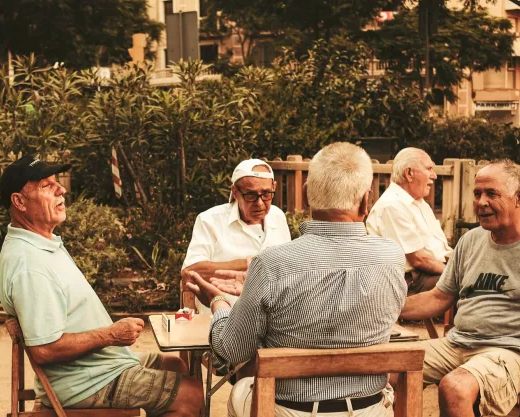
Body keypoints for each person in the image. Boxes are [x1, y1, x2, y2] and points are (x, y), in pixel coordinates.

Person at [187, 142, 407, 417]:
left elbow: (231, 350)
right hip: (368, 410)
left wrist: (219, 302)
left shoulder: (271, 263)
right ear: (367, 200)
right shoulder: (392, 257)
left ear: (305, 196)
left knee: (241, 389)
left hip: (288, 411)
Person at [0, 155, 203, 416]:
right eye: (46, 186)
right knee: (191, 395)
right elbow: (45, 349)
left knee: (175, 365)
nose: (61, 189)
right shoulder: (30, 264)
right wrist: (111, 335)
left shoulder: (40, 243)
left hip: (98, 366)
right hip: (84, 382)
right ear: (19, 202)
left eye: (56, 182)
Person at [401, 159, 520, 417]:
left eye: (491, 194)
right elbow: (438, 296)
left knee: (454, 387)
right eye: (477, 194)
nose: (481, 202)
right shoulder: (470, 241)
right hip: (457, 343)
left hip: (513, 352)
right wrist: (387, 309)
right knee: (385, 368)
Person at [181, 158, 291, 313]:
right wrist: (250, 264)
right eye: (251, 195)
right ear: (235, 191)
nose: (259, 203)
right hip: (223, 318)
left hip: (270, 320)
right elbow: (190, 273)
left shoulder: (278, 217)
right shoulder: (210, 220)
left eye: (266, 193)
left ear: (274, 187)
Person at [367, 147, 452, 295]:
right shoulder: (392, 205)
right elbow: (418, 260)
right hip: (410, 281)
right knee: (470, 286)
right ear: (409, 173)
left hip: (429, 273)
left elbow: (438, 250)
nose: (434, 176)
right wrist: (455, 274)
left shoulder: (419, 203)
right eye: (429, 169)